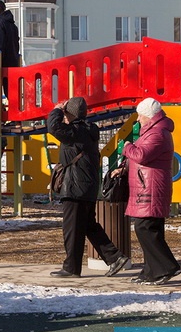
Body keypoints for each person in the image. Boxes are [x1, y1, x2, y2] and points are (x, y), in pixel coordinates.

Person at [46, 97, 128, 278]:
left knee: (72, 229)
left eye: (66, 113)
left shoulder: (74, 132)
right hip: (87, 187)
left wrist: (57, 110)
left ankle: (71, 268)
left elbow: (53, 126)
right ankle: (115, 258)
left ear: (70, 114)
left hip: (75, 188)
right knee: (89, 226)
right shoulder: (88, 130)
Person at [123, 97, 181, 285]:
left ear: (149, 116)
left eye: (140, 116)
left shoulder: (157, 134)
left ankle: (167, 266)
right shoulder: (153, 132)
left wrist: (126, 147)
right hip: (148, 186)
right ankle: (151, 271)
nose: (138, 119)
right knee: (151, 229)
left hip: (151, 187)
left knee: (145, 228)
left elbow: (141, 155)